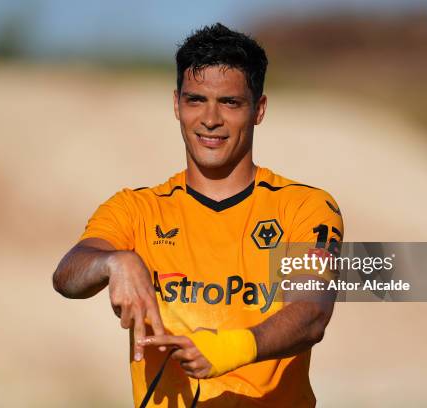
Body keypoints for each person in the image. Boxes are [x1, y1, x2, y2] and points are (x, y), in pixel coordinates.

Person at [53, 22, 343, 407]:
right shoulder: (136, 209)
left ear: (259, 109)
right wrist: (113, 261)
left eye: (230, 102)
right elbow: (67, 276)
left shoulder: (303, 207)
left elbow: (311, 314)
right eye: (195, 100)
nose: (210, 119)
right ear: (176, 105)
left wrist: (228, 349)